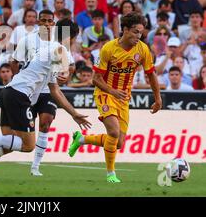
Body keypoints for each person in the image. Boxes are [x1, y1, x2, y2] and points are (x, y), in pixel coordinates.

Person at [0, 17, 91, 183]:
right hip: (19, 95)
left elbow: (54, 89)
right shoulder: (59, 50)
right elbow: (61, 77)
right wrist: (64, 73)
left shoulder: (47, 49)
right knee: (28, 145)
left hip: (8, 92)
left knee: (8, 144)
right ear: (71, 38)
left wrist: (74, 114)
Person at [68, 12, 162, 183]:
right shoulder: (109, 49)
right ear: (124, 29)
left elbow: (151, 74)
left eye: (140, 32)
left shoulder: (142, 49)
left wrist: (158, 98)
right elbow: (96, 79)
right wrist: (111, 91)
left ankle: (82, 139)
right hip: (105, 93)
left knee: (118, 142)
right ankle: (111, 173)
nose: (137, 36)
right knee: (113, 131)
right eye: (135, 31)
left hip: (123, 97)